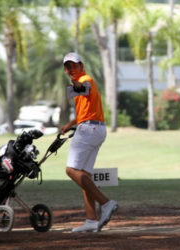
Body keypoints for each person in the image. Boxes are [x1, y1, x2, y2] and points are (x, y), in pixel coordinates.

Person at [61, 52, 118, 233]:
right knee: (84, 175)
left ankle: (106, 203)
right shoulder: (81, 84)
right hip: (96, 128)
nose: (71, 69)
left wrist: (76, 84)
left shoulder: (86, 79)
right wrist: (69, 125)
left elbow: (83, 86)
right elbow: (82, 114)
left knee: (71, 170)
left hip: (88, 130)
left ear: (81, 65)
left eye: (74, 65)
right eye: (68, 66)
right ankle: (91, 220)